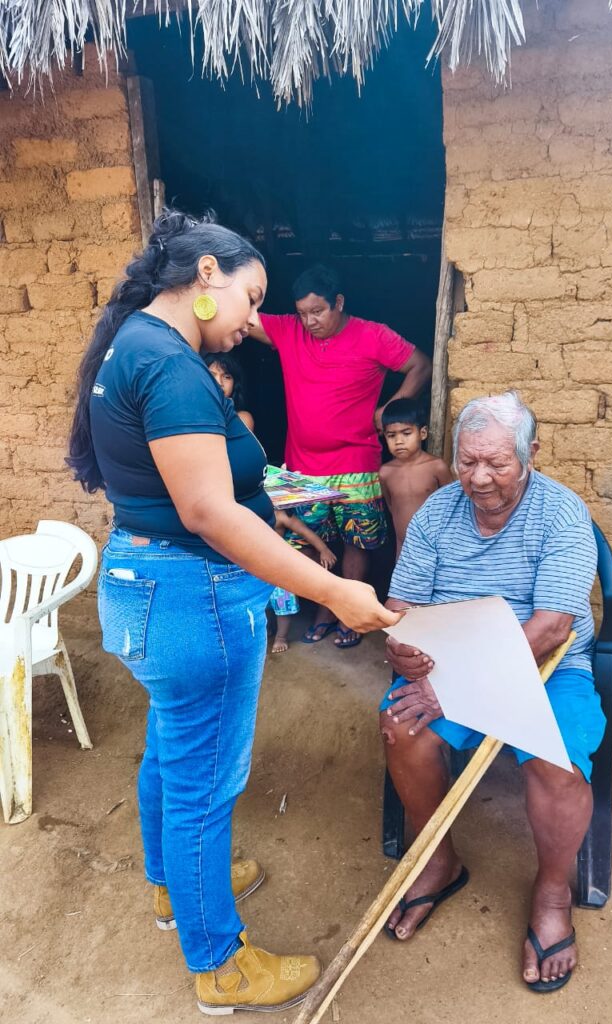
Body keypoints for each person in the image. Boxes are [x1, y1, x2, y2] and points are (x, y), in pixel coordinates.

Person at [67, 209, 399, 1016]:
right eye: (252, 299)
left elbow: (199, 498)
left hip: (151, 583)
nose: (257, 322)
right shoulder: (173, 366)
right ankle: (219, 962)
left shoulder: (133, 348)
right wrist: (334, 591)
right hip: (196, 597)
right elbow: (212, 512)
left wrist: (291, 535)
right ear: (206, 277)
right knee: (204, 786)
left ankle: (173, 887)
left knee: (172, 754)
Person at [379, 391, 605, 994]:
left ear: (532, 454)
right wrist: (400, 640)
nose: (478, 478)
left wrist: (457, 686)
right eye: (466, 461)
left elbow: (551, 629)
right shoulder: (435, 514)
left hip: (546, 668)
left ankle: (553, 892)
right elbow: (403, 604)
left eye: (497, 464)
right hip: (448, 669)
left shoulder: (561, 513)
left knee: (557, 765)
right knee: (402, 726)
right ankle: (438, 860)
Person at [248, 264, 432, 649]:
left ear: (339, 303)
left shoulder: (372, 335)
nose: (309, 321)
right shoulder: (288, 330)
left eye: (318, 311)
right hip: (303, 466)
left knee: (356, 542)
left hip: (356, 463)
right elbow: (241, 319)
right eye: (302, 313)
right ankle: (325, 611)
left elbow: (421, 364)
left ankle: (352, 613)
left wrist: (391, 409)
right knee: (315, 542)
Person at [379, 397, 452, 556]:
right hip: (404, 548)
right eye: (391, 436)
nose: (399, 441)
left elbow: (452, 505)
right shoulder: (385, 473)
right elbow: (393, 508)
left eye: (406, 433)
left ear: (423, 433)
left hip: (435, 545)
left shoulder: (436, 467)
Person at [269, 508, 337, 653]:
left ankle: (281, 637)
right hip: (253, 568)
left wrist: (323, 549)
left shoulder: (279, 515)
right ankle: (267, 628)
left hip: (278, 570)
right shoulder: (246, 511)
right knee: (258, 605)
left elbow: (305, 531)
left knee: (283, 605)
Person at [204, 351, 254, 430]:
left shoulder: (241, 418)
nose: (219, 383)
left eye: (226, 377)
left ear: (235, 384)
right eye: (212, 376)